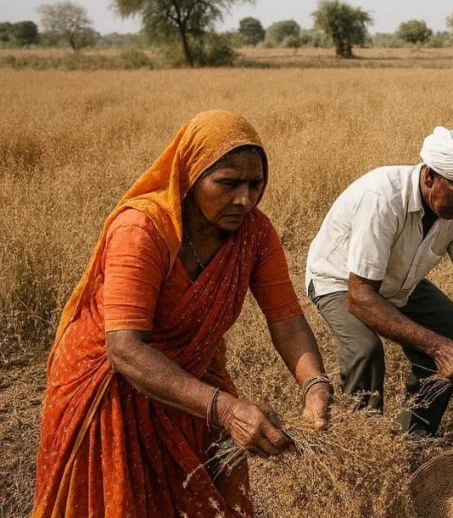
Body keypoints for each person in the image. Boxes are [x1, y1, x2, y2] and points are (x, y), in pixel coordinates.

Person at [32, 111, 333, 518]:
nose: (245, 199)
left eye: (255, 184)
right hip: (111, 388)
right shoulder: (142, 229)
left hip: (192, 379)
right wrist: (226, 410)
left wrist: (314, 382)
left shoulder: (255, 233)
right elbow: (124, 349)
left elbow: (286, 319)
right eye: (228, 183)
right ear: (190, 176)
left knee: (206, 499)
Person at [305, 127, 453, 436]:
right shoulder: (383, 198)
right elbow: (360, 296)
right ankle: (365, 442)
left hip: (396, 281)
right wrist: (438, 348)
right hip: (341, 280)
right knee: (365, 351)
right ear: (430, 176)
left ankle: (416, 435)